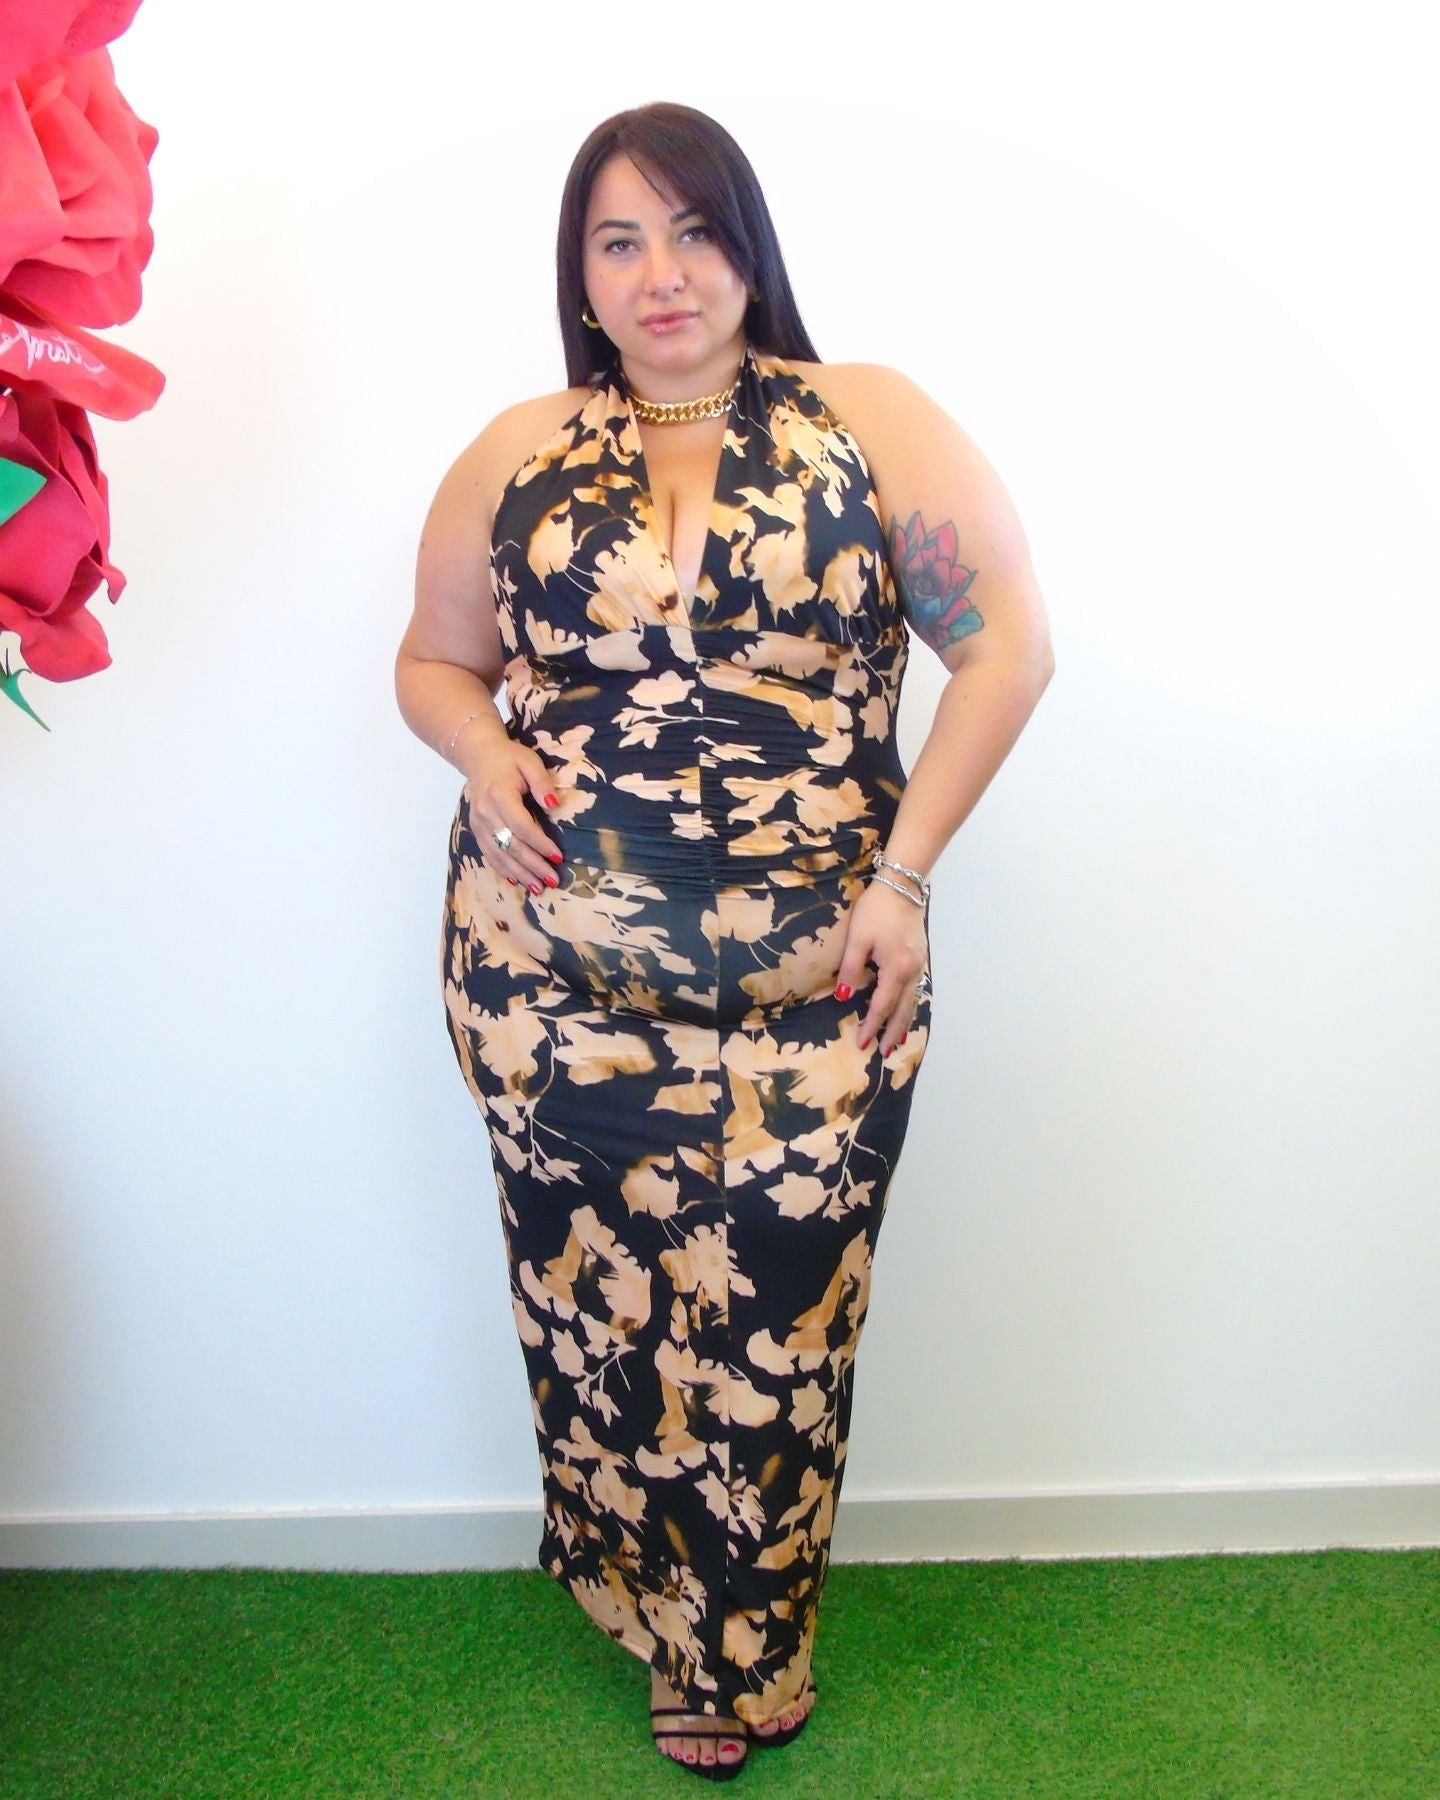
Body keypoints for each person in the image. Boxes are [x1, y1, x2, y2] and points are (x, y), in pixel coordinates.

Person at [395, 101, 1054, 1780]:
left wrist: (905, 880)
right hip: (549, 984)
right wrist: (481, 757)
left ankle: (753, 1637)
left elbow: (1006, 655)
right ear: (582, 276)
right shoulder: (515, 450)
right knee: (604, 1313)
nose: (662, 272)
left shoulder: (867, 420)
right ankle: (664, 1631)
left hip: (823, 988)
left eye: (692, 231)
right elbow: (434, 660)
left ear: (748, 244)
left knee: (782, 1315)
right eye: (619, 241)